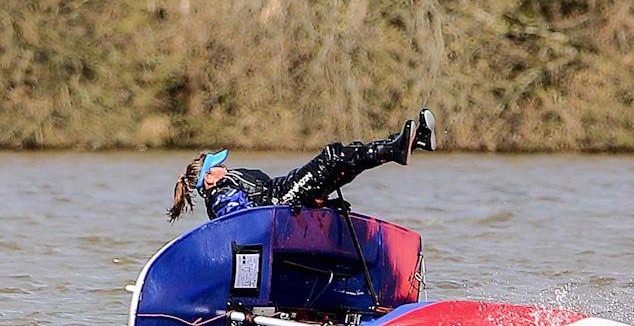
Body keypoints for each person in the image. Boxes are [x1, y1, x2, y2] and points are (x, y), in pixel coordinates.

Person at [168, 109, 436, 222]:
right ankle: (398, 148)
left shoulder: (226, 185)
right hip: (284, 202)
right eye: (217, 167)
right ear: (209, 178)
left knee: (345, 162)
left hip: (287, 196)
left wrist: (322, 205)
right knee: (333, 157)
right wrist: (295, 208)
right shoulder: (220, 194)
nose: (225, 168)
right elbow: (244, 221)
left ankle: (409, 143)